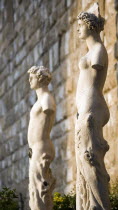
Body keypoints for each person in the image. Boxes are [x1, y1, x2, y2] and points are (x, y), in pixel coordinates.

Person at [75, 3, 111, 210]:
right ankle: (89, 204)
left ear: (90, 26)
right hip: (85, 107)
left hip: (92, 106)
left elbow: (95, 72)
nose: (78, 28)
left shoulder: (98, 50)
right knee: (84, 161)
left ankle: (99, 205)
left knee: (90, 159)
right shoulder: (92, 51)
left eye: (81, 24)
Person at [27, 66, 56, 210]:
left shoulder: (46, 99)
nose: (29, 80)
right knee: (35, 190)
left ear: (40, 78)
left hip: (41, 148)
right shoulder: (41, 100)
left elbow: (49, 110)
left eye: (31, 77)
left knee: (40, 189)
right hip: (35, 150)